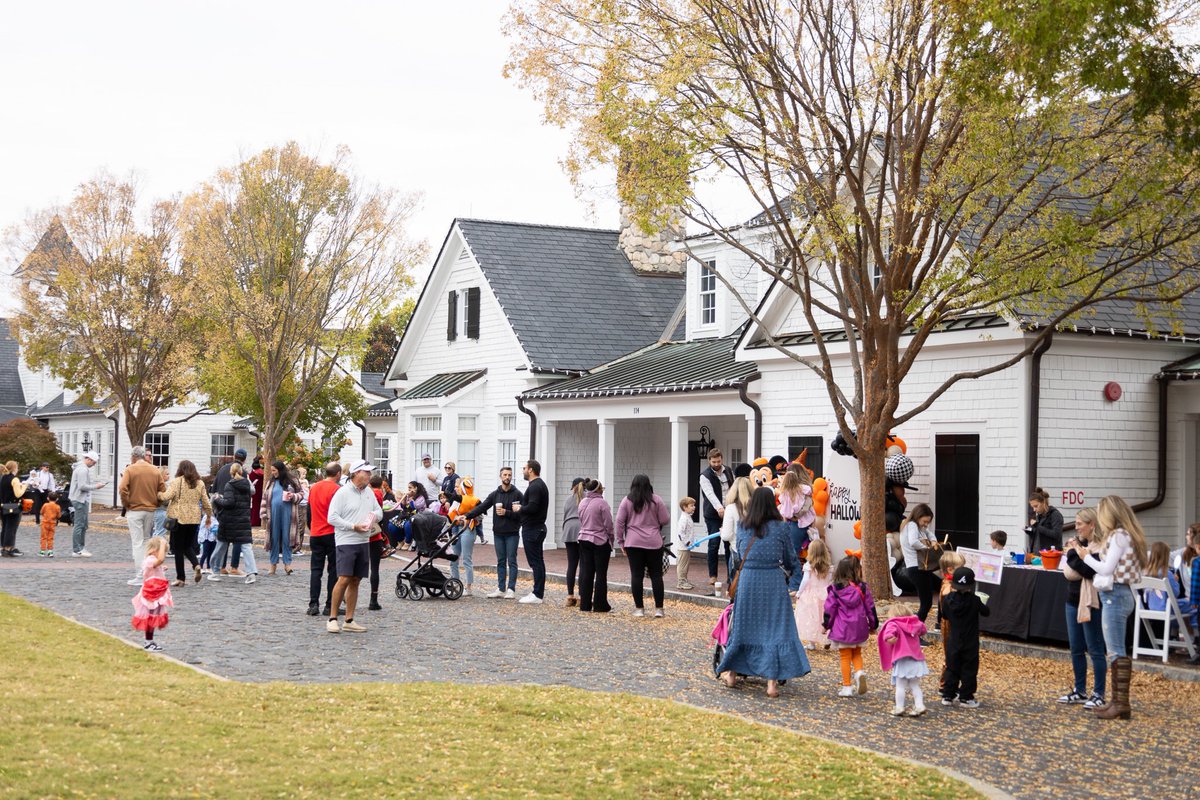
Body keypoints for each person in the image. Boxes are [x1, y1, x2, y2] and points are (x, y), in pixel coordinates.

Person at [716, 487, 810, 698]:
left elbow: (740, 552)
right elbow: (789, 557)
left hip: (748, 580)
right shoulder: (781, 527)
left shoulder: (743, 525)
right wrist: (795, 576)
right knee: (775, 629)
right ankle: (771, 685)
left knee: (744, 626)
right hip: (773, 582)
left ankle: (731, 674)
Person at [1077, 495, 1148, 719]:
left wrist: (1085, 556)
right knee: (1115, 650)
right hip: (1120, 593)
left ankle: (1120, 703)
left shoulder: (1118, 536)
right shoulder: (1129, 535)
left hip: (1114, 594)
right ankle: (1117, 701)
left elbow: (1106, 569)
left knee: (1116, 651)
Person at [326, 460, 382, 634]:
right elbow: (332, 517)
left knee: (356, 580)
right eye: (366, 472)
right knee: (343, 578)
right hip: (346, 540)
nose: (369, 476)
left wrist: (372, 518)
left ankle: (349, 619)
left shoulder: (369, 493)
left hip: (363, 540)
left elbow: (379, 511)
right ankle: (332, 618)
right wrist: (353, 526)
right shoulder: (342, 493)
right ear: (356, 473)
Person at [615, 474, 671, 617]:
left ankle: (639, 609)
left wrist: (620, 541)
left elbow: (619, 522)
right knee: (656, 576)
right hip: (654, 542)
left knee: (636, 575)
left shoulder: (627, 501)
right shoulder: (656, 500)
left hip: (633, 542)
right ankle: (659, 609)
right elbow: (665, 519)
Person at [465, 467, 523, 599]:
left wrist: (507, 513)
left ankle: (511, 589)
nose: (507, 477)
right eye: (505, 475)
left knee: (512, 561)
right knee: (501, 561)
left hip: (512, 533)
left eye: (509, 475)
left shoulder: (518, 494)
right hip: (498, 533)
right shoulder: (495, 494)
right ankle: (501, 588)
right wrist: (467, 516)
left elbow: (522, 514)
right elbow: (482, 507)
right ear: (500, 476)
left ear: (511, 477)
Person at [824, 556, 878, 697]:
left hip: (842, 628)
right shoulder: (863, 588)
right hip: (859, 627)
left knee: (845, 656)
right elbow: (870, 608)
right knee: (857, 653)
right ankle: (859, 672)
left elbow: (830, 609)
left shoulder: (835, 589)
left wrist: (826, 625)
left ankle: (847, 687)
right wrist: (873, 624)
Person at [941, 566, 990, 708]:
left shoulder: (948, 599)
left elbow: (944, 616)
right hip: (970, 640)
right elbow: (986, 612)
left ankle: (948, 695)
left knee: (952, 667)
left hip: (954, 638)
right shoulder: (975, 600)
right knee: (969, 668)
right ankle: (966, 697)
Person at [159, 460, 212, 587]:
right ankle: (196, 564)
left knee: (178, 548)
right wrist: (209, 515)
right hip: (194, 519)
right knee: (188, 545)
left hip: (179, 518)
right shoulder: (200, 483)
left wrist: (158, 494)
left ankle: (180, 578)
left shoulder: (177, 482)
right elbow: (206, 501)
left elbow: (167, 496)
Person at [119, 447, 166, 585]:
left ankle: (141, 575)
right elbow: (163, 490)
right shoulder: (154, 470)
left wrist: (126, 503)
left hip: (135, 509)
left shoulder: (130, 469)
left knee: (138, 543)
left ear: (133, 457)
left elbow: (122, 488)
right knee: (146, 541)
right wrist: (157, 502)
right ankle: (148, 573)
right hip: (150, 510)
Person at [208, 463, 258, 584]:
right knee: (246, 547)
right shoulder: (247, 485)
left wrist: (217, 499)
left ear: (231, 473)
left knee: (221, 546)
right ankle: (251, 573)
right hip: (243, 521)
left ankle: (215, 571)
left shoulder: (229, 485)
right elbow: (252, 492)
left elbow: (229, 503)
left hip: (228, 521)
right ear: (242, 472)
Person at [878, 601, 930, 716]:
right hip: (916, 659)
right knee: (915, 685)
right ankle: (919, 705)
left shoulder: (894, 623)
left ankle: (899, 707)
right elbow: (923, 629)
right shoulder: (914, 623)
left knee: (900, 686)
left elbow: (888, 633)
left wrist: (890, 638)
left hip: (902, 659)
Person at [306, 463, 343, 615]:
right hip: (331, 532)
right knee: (333, 570)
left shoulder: (314, 487)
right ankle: (330, 605)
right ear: (338, 474)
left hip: (316, 532)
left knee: (316, 570)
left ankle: (313, 604)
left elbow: (309, 510)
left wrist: (311, 526)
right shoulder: (337, 490)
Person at [576, 479, 614, 613]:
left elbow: (580, 518)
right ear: (598, 490)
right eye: (601, 489)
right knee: (601, 574)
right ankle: (600, 604)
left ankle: (585, 604)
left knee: (587, 572)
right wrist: (611, 539)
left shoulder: (582, 502)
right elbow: (608, 524)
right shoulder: (602, 504)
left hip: (584, 539)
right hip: (600, 540)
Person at [260, 460, 304, 576]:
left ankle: (287, 564)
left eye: (274, 470)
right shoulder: (270, 482)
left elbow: (301, 494)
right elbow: (264, 498)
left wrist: (293, 496)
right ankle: (273, 565)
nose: (272, 472)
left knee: (287, 538)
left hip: (288, 514)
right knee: (274, 539)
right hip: (273, 514)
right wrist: (264, 514)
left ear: (280, 470)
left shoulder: (293, 480)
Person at [130, 537, 173, 652]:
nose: (162, 554)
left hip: (156, 591)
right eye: (161, 551)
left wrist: (161, 569)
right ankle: (148, 642)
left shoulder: (152, 560)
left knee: (152, 616)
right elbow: (160, 560)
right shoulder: (150, 560)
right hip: (151, 593)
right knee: (150, 617)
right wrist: (163, 544)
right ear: (154, 550)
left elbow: (157, 566)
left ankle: (149, 640)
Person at [516, 460, 550, 604]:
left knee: (535, 562)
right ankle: (537, 592)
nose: (523, 470)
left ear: (530, 470)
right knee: (538, 561)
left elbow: (533, 507)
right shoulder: (537, 485)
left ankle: (537, 594)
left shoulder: (536, 486)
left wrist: (520, 508)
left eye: (524, 468)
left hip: (533, 528)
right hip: (536, 527)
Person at [700, 449, 735, 587]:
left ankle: (730, 574)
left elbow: (733, 488)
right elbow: (710, 494)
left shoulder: (728, 471)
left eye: (718, 461)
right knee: (714, 544)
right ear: (709, 461)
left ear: (722, 459)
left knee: (729, 544)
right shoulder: (705, 476)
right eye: (713, 462)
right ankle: (713, 575)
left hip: (730, 511)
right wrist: (719, 508)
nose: (716, 464)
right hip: (713, 514)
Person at [793, 538, 833, 649]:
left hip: (811, 595)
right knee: (824, 616)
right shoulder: (828, 567)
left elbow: (805, 581)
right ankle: (827, 638)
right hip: (825, 594)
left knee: (811, 617)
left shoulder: (809, 566)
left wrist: (799, 593)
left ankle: (812, 643)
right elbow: (829, 581)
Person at [900, 503, 937, 623]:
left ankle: (939, 621)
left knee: (942, 587)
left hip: (921, 568)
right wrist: (928, 549)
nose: (926, 525)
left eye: (928, 522)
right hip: (916, 568)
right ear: (918, 516)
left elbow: (930, 534)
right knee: (926, 603)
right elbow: (913, 542)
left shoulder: (919, 527)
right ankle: (914, 630)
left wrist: (933, 541)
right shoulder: (911, 525)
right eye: (925, 521)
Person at [67, 452, 104, 557]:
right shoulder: (82, 469)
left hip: (79, 498)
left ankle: (79, 548)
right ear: (89, 460)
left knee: (83, 524)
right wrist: (96, 486)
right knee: (80, 524)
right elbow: (82, 486)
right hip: (80, 499)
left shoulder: (80, 468)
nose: (94, 464)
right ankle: (77, 549)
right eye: (94, 462)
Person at [448, 476, 479, 595]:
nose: (456, 489)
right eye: (456, 487)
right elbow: (450, 515)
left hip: (468, 528)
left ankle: (468, 587)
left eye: (458, 487)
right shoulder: (456, 501)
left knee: (466, 558)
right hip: (456, 529)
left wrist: (466, 517)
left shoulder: (472, 500)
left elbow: (479, 517)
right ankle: (455, 584)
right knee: (453, 558)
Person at [778, 468, 815, 563]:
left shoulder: (786, 494)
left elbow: (786, 513)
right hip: (808, 523)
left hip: (795, 525)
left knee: (793, 552)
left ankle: (795, 574)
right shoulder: (804, 490)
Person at [718, 476, 755, 568]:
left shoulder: (731, 508)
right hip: (756, 550)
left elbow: (726, 536)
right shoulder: (757, 507)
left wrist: (722, 531)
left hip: (738, 551)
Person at [560, 478, 585, 604]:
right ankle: (581, 596)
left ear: (573, 487)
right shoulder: (586, 499)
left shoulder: (568, 500)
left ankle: (570, 595)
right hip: (582, 530)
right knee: (583, 565)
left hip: (569, 530)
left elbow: (565, 516)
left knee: (571, 564)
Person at [367, 475, 389, 611]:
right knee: (375, 568)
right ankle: (373, 599)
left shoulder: (367, 493)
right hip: (374, 533)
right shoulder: (378, 494)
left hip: (361, 532)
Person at [0, 461, 28, 557]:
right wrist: (24, 486)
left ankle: (3, 547)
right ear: (14, 468)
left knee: (5, 527)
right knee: (11, 528)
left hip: (3, 506)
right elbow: (18, 494)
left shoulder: (3, 478)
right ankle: (8, 548)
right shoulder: (14, 479)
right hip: (14, 507)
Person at [1026, 487, 1064, 552]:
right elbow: (1039, 534)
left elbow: (1056, 535)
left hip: (1050, 555)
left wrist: (1037, 525)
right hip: (1037, 554)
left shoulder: (1055, 515)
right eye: (1032, 507)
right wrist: (1030, 531)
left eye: (1036, 506)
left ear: (1043, 502)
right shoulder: (1039, 516)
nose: (1034, 510)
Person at [674, 496, 698, 591]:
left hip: (687, 546)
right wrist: (687, 542)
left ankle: (684, 580)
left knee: (686, 564)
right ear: (685, 507)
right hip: (683, 547)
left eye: (694, 505)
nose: (694, 507)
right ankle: (681, 582)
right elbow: (680, 533)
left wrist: (693, 541)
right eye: (691, 505)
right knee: (682, 565)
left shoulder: (688, 517)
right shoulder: (684, 519)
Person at [400, 482, 430, 550]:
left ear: (415, 488)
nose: (409, 489)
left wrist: (411, 500)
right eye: (408, 488)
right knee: (392, 524)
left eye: (410, 487)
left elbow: (416, 507)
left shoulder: (421, 497)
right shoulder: (408, 496)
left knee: (408, 524)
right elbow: (403, 506)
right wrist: (404, 498)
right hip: (407, 515)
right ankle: (400, 541)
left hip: (419, 516)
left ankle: (408, 542)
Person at [38, 490, 62, 557]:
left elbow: (41, 512)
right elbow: (59, 516)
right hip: (52, 523)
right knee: (50, 538)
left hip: (45, 523)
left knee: (43, 537)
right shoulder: (57, 507)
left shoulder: (45, 505)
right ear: (57, 499)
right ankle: (50, 551)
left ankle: (42, 551)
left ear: (48, 498)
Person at [152, 465, 171, 538]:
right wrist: (171, 499)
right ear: (162, 475)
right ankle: (156, 548)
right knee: (160, 533)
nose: (169, 476)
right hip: (161, 510)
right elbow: (163, 499)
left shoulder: (163, 485)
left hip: (160, 511)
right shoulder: (161, 486)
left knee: (158, 532)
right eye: (167, 474)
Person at [249, 456, 264, 527]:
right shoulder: (263, 474)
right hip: (262, 493)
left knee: (254, 507)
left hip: (253, 493)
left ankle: (253, 521)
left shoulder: (251, 475)